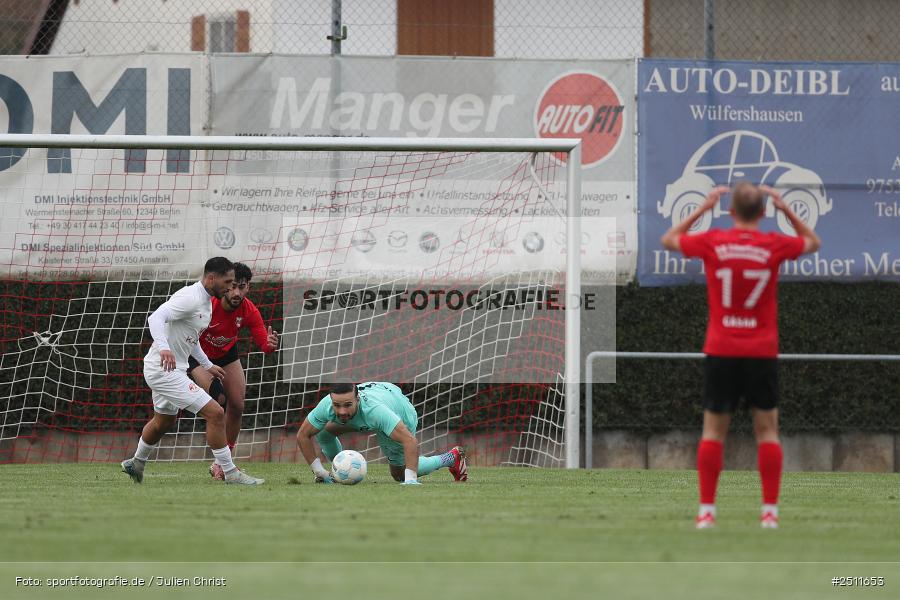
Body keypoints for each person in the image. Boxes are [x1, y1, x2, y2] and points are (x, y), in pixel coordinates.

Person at [660, 182, 820, 529]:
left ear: (730, 211)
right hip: (761, 350)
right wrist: (787, 208)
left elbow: (669, 239)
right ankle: (770, 513)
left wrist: (703, 208)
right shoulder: (773, 244)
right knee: (768, 432)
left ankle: (706, 512)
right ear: (763, 213)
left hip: (722, 349)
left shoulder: (714, 240)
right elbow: (813, 242)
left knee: (713, 433)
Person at [121, 257, 264, 485]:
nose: (230, 287)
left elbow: (192, 339)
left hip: (173, 368)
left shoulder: (207, 302)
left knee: (163, 422)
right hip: (163, 369)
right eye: (227, 282)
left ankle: (136, 463)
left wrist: (207, 365)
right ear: (211, 278)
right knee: (216, 412)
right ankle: (230, 473)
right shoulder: (190, 297)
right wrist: (164, 348)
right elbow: (156, 317)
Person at [187, 262, 279, 480]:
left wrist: (270, 344)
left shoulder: (249, 310)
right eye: (234, 286)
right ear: (226, 285)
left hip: (226, 356)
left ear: (248, 288)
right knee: (218, 400)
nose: (237, 292)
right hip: (197, 356)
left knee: (237, 404)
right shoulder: (207, 305)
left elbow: (264, 344)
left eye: (243, 287)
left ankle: (220, 463)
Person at [296, 382, 468, 485]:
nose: (341, 411)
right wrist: (320, 472)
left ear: (357, 400)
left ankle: (451, 458)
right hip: (382, 391)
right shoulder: (327, 405)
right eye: (337, 405)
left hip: (399, 409)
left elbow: (410, 441)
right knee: (324, 433)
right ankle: (337, 474)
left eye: (347, 405)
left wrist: (410, 480)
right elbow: (303, 435)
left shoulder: (376, 412)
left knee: (399, 474)